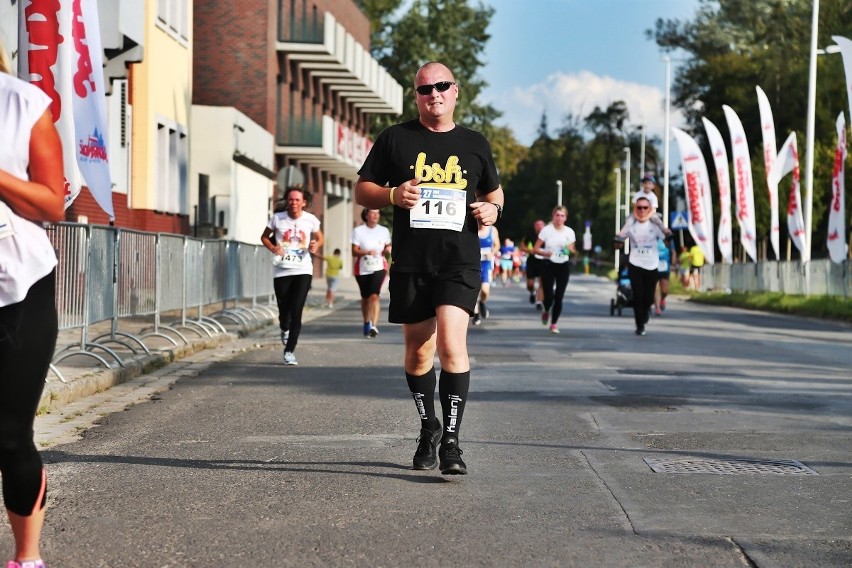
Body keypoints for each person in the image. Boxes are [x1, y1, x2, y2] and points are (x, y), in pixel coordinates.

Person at [354, 61, 503, 476]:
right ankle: (429, 427)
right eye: (424, 89)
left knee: (452, 347)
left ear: (455, 91)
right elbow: (362, 190)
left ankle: (452, 444)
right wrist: (391, 194)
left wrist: (493, 209)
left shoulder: (475, 143)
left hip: (459, 262)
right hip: (412, 264)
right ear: (415, 96)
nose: (433, 94)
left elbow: (495, 193)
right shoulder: (395, 139)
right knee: (419, 354)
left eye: (441, 86)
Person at [1, 41, 65, 568]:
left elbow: (52, 202)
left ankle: (27, 557)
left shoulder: (21, 103)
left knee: (8, 434)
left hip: (16, 288)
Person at [260, 185, 324, 366]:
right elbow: (264, 237)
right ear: (287, 202)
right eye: (291, 199)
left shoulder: (310, 220)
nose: (294, 203)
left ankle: (289, 351)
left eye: (297, 200)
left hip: (303, 269)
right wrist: (273, 247)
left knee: (297, 310)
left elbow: (320, 238)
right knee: (283, 309)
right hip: (282, 269)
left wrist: (315, 245)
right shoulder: (277, 219)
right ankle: (284, 328)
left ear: (304, 202)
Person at [617, 196, 667, 336]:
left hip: (651, 265)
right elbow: (619, 240)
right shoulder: (631, 223)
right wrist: (618, 240)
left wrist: (667, 232)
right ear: (635, 208)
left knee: (649, 297)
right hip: (635, 263)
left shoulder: (655, 224)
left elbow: (666, 238)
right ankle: (640, 325)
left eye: (645, 207)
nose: (642, 210)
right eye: (639, 207)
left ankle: (645, 312)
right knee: (638, 296)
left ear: (650, 209)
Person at [533, 206, 577, 334]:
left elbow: (573, 250)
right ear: (553, 216)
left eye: (562, 216)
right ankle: (546, 309)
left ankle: (554, 323)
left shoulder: (569, 232)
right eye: (557, 215)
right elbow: (536, 249)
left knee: (559, 296)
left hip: (563, 264)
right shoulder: (546, 230)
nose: (559, 218)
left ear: (566, 218)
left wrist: (568, 250)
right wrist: (546, 253)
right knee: (549, 296)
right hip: (548, 264)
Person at [351, 208, 391, 338]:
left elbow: (387, 246)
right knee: (365, 298)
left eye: (377, 213)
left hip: (379, 266)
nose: (375, 215)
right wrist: (366, 252)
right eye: (372, 213)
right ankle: (366, 322)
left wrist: (388, 249)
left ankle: (374, 325)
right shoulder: (358, 231)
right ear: (366, 215)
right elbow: (354, 251)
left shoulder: (384, 231)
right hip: (362, 268)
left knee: (374, 296)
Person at [472, 220, 499, 326]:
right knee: (473, 290)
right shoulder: (471, 228)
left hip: (486, 263)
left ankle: (482, 302)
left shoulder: (492, 230)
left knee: (485, 290)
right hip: (473, 264)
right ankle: (476, 314)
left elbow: (497, 245)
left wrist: (492, 253)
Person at [523, 219, 546, 311]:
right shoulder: (530, 235)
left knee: (542, 283)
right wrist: (530, 251)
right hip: (532, 260)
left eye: (541, 225)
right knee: (530, 284)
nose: (539, 227)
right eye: (537, 225)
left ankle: (539, 302)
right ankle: (532, 292)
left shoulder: (547, 236)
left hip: (543, 261)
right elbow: (522, 246)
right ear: (535, 227)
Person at [654, 236, 673, 315]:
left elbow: (673, 251)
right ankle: (657, 308)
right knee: (655, 288)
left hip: (665, 267)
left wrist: (673, 263)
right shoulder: (652, 237)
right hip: (653, 265)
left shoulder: (666, 238)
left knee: (665, 290)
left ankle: (662, 299)